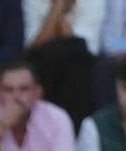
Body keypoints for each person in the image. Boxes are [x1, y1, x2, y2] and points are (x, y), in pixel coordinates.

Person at [25, 0, 100, 131]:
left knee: (72, 61)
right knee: (41, 59)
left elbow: (81, 46)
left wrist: (55, 18)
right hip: (43, 62)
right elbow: (33, 47)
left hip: (80, 62)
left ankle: (73, 133)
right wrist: (58, 6)